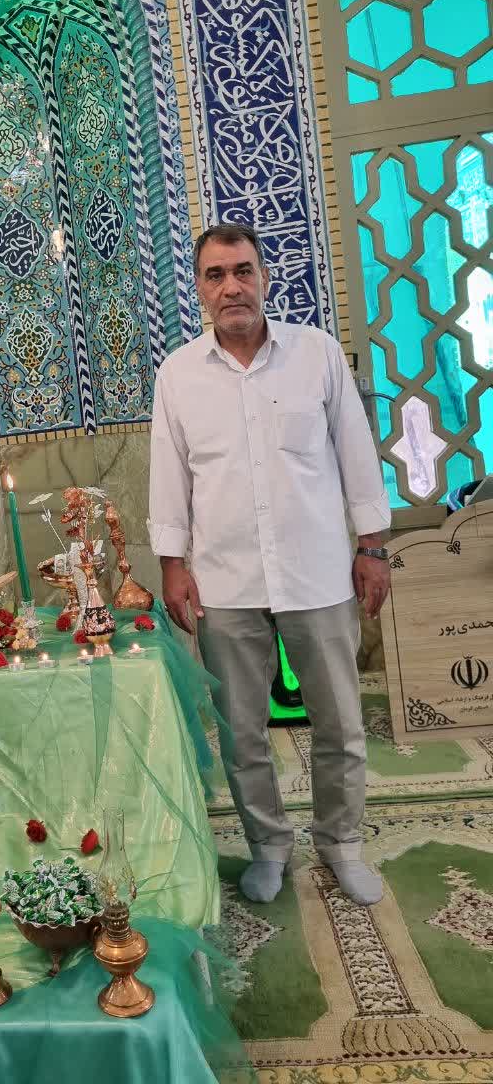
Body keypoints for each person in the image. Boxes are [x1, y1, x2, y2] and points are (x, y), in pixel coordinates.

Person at [148, 224, 391, 906]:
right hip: (225, 582)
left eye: (243, 271)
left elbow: (356, 453)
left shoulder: (315, 354)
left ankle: (341, 843)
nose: (232, 286)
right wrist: (173, 565)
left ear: (263, 277)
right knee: (242, 732)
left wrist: (372, 546)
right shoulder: (179, 375)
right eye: (216, 275)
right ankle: (269, 846)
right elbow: (169, 476)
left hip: (318, 573)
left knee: (340, 723)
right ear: (200, 290)